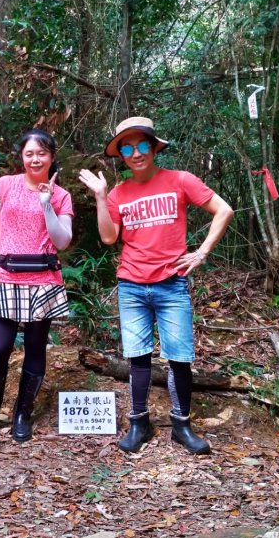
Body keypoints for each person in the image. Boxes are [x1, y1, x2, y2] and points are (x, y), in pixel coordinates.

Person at [78, 116, 233, 454]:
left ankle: (181, 426)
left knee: (179, 358)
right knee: (138, 357)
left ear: (154, 146)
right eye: (128, 147)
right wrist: (102, 197)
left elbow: (223, 210)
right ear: (121, 154)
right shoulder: (119, 193)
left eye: (142, 144)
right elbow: (108, 238)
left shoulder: (180, 180)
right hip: (132, 284)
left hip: (171, 284)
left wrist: (201, 253)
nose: (136, 152)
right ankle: (139, 424)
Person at [0, 128, 74, 442]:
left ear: (51, 157)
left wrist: (46, 203)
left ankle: (22, 414)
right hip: (5, 276)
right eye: (29, 153)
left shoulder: (61, 195)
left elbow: (63, 241)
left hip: (42, 280)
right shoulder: (5, 185)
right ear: (22, 156)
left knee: (35, 348)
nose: (35, 159)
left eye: (41, 153)